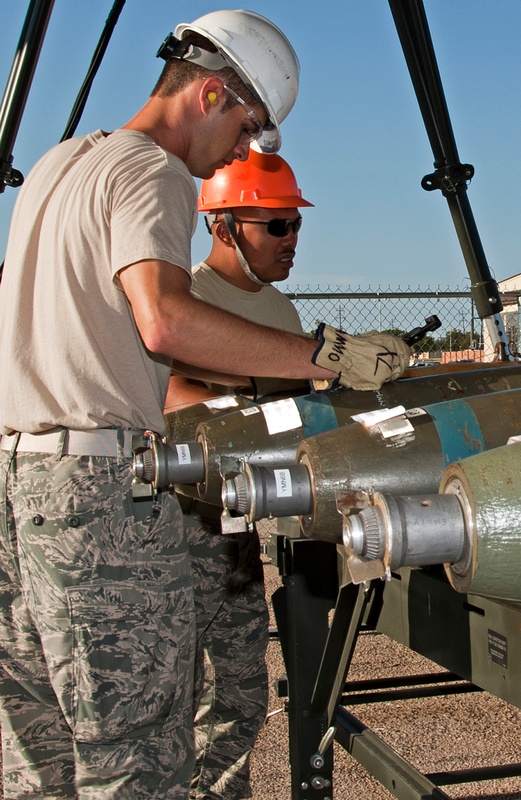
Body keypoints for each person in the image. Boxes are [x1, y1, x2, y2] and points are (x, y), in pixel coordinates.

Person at [0, 10, 409, 799]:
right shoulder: (150, 172)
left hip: (16, 487)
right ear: (212, 92)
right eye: (248, 126)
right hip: (98, 496)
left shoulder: (57, 167)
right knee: (137, 753)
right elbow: (163, 318)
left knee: (38, 753)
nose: (240, 151)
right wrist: (324, 358)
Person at [168, 149, 310, 799]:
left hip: (235, 533)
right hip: (175, 527)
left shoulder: (281, 315)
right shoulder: (186, 298)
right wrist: (245, 401)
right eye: (274, 226)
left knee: (239, 696)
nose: (291, 239)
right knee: (165, 704)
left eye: (294, 225)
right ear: (224, 230)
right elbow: (171, 394)